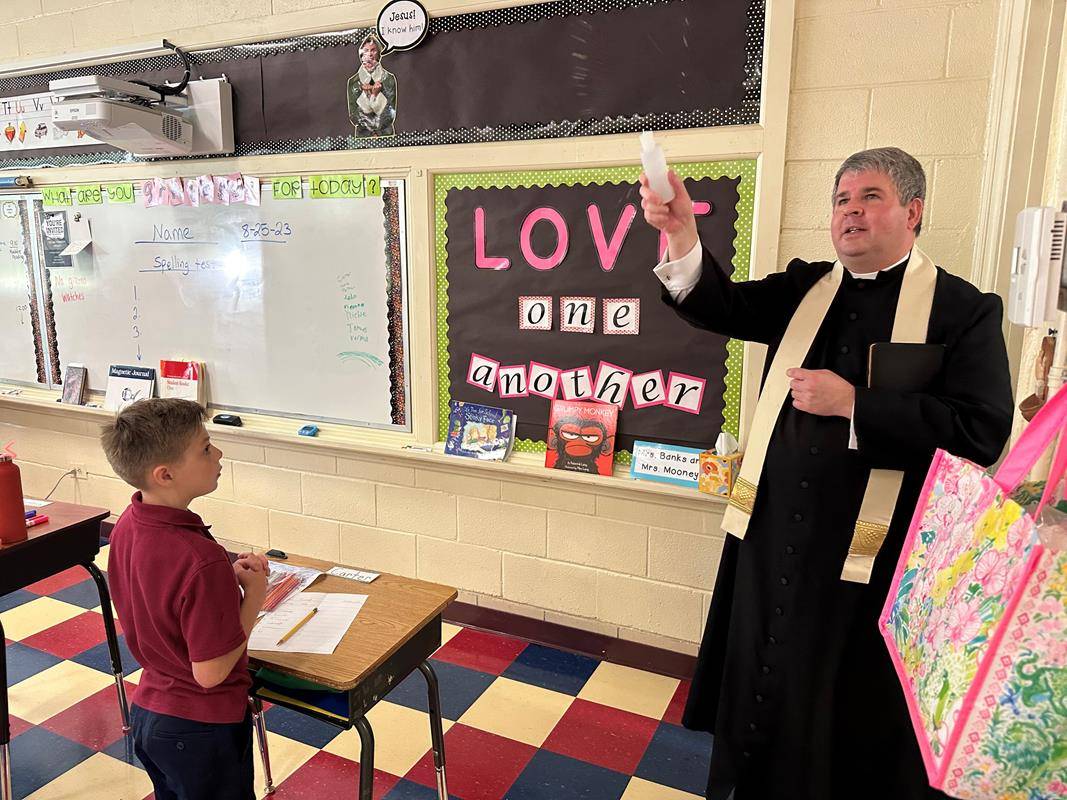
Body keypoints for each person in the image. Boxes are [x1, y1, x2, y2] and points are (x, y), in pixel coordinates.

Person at [640, 147, 1014, 800]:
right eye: (840, 200)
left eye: (868, 197)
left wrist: (855, 404)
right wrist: (679, 231)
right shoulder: (804, 287)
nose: (849, 211)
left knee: (841, 726)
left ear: (912, 211)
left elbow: (980, 432)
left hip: (869, 558)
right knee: (759, 693)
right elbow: (716, 305)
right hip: (767, 539)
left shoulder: (962, 309)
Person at [100, 398, 270, 800]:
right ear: (166, 474)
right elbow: (210, 673)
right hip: (201, 730)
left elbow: (161, 592)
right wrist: (253, 598)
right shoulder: (200, 558)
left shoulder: (128, 522)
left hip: (152, 716)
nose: (219, 453)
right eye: (206, 448)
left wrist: (221, 588)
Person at [347, 34, 397, 137]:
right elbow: (354, 117)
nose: (370, 54)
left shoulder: (389, 79)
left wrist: (375, 95)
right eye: (366, 50)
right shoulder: (353, 82)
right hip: (363, 137)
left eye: (373, 50)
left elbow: (390, 115)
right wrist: (367, 96)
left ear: (379, 53)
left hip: (385, 135)